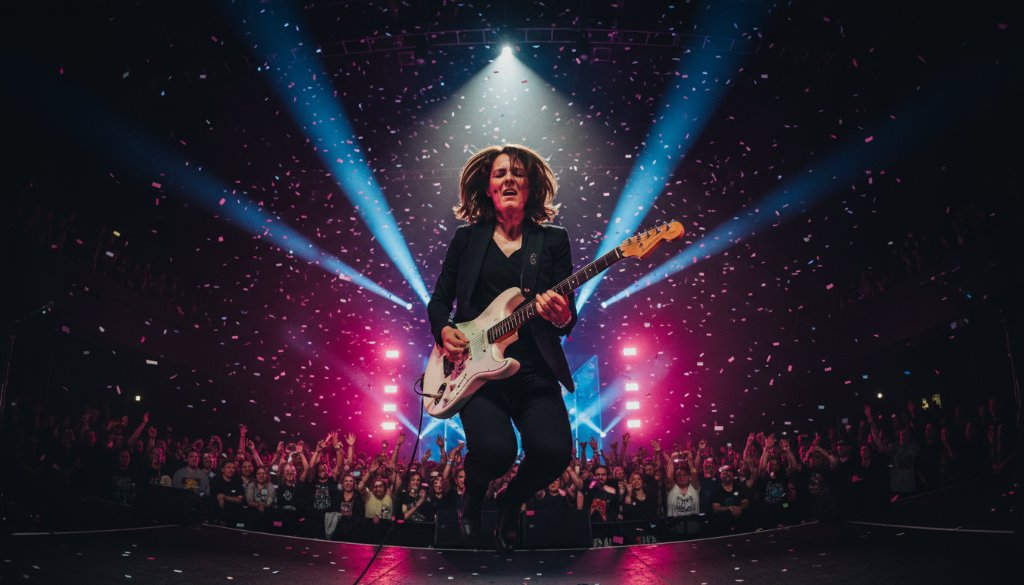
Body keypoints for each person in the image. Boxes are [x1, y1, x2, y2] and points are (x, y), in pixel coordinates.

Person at [427, 144, 576, 553]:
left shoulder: (552, 241)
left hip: (532, 368)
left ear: (531, 186)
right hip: (476, 369)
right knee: (495, 452)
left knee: (553, 452)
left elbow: (568, 316)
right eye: (499, 174)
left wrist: (560, 314)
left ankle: (509, 502)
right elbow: (439, 301)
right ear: (488, 187)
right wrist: (444, 330)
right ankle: (474, 494)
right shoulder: (467, 239)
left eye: (517, 173)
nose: (508, 179)